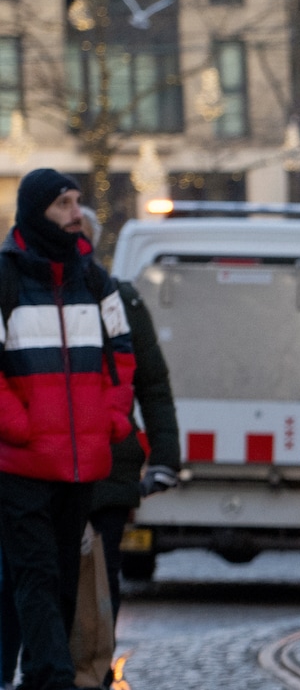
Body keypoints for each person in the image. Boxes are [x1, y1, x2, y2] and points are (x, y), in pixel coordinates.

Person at [0, 172, 135, 690]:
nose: (75, 212)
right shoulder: (4, 279)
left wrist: (110, 420)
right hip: (22, 462)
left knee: (58, 581)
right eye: (64, 203)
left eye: (78, 201)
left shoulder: (94, 279)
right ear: (38, 212)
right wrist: (19, 427)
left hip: (80, 462)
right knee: (35, 575)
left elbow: (121, 356)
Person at [77, 207, 179, 612]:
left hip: (109, 463)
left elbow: (152, 384)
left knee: (104, 572)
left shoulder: (123, 301)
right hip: (43, 462)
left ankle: (96, 667)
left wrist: (165, 457)